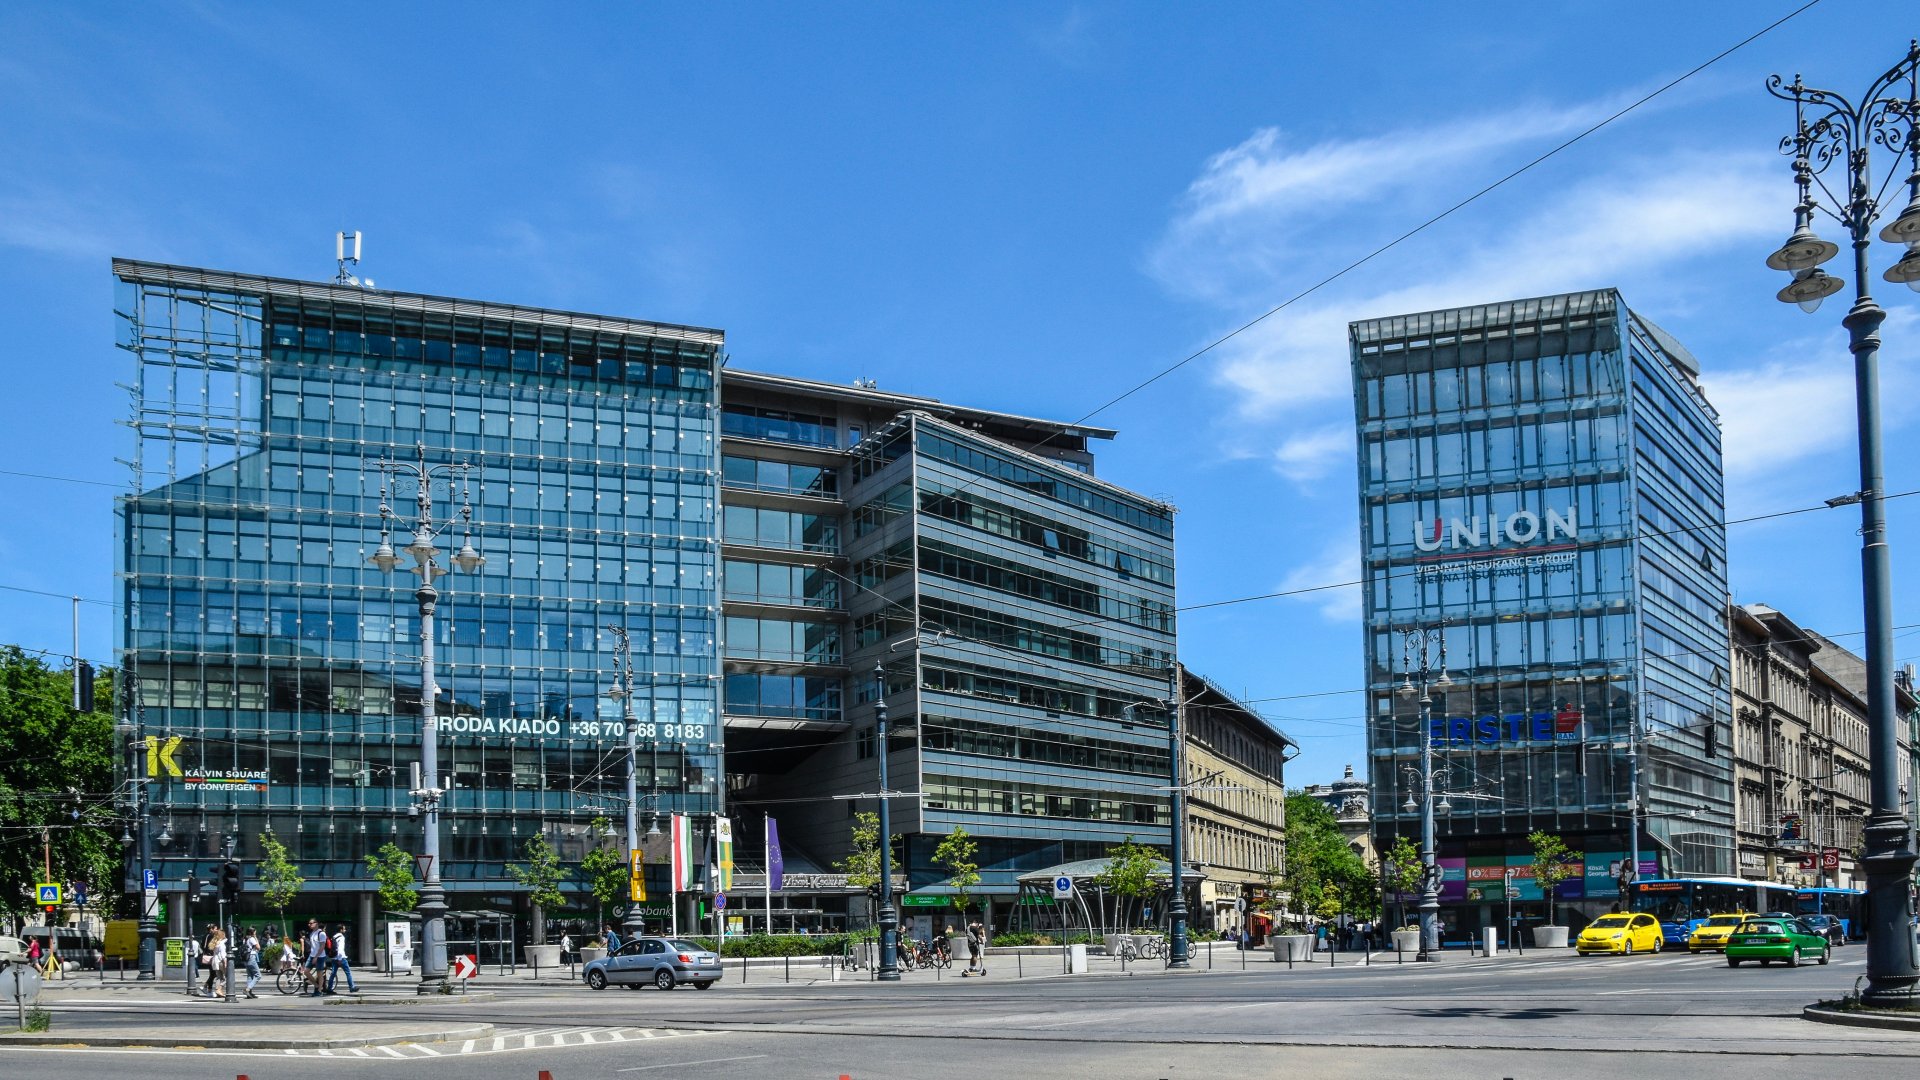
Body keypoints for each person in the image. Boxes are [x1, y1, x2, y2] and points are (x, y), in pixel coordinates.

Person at [327, 924, 357, 994]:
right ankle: (352, 987)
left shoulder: (334, 936)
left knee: (333, 974)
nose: (345, 930)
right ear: (341, 930)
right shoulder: (341, 937)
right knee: (348, 972)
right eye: (344, 929)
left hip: (334, 958)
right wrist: (340, 959)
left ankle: (329, 988)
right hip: (341, 958)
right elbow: (340, 949)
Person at [305, 919, 330, 996]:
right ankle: (316, 985)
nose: (309, 924)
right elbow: (313, 946)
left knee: (319, 974)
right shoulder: (312, 933)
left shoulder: (321, 934)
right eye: (309, 923)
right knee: (306, 971)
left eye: (311, 923)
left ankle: (319, 990)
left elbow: (322, 946)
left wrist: (316, 957)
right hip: (312, 955)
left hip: (320, 956)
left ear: (317, 924)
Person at [200, 927, 227, 998]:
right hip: (220, 961)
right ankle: (219, 989)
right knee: (227, 977)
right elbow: (223, 955)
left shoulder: (215, 943)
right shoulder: (221, 944)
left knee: (218, 977)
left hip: (215, 961)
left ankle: (218, 991)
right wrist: (225, 963)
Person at [240, 928, 262, 998]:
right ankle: (247, 989)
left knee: (250, 976)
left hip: (246, 959)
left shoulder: (245, 939)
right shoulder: (252, 939)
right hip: (251, 958)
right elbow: (258, 947)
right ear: (253, 933)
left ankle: (249, 993)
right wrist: (255, 937)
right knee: (258, 975)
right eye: (255, 932)